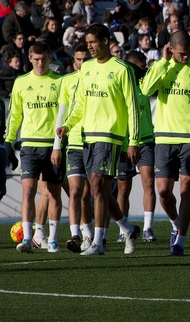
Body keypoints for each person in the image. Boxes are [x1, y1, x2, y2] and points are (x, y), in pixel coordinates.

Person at [57, 25, 140, 256]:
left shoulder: (122, 69)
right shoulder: (87, 68)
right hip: (88, 136)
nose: (91, 46)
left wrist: (133, 141)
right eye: (88, 42)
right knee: (100, 189)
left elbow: (133, 107)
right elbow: (80, 103)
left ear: (106, 40)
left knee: (95, 184)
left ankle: (98, 243)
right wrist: (68, 124)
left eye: (94, 41)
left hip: (110, 136)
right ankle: (127, 227)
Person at [140, 31, 190, 255]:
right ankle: (176, 224)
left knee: (187, 190)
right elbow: (145, 89)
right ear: (171, 49)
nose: (186, 58)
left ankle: (181, 240)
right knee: (164, 192)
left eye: (189, 54)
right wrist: (162, 62)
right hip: (165, 138)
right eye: (181, 54)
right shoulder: (163, 66)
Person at [5, 42, 62, 253]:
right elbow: (15, 114)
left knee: (53, 193)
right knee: (28, 191)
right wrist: (9, 140)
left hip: (52, 145)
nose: (40, 63)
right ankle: (28, 239)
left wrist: (60, 144)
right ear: (30, 58)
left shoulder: (59, 82)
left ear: (49, 58)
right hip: (29, 145)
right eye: (36, 59)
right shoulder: (21, 82)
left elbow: (64, 115)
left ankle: (53, 239)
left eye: (44, 59)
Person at [53, 43, 93, 252]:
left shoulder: (97, 77)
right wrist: (57, 146)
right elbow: (62, 112)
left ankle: (115, 228)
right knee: (76, 191)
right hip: (74, 142)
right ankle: (76, 235)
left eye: (86, 59)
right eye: (79, 59)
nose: (82, 63)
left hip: (96, 140)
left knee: (91, 193)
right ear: (74, 61)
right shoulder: (67, 81)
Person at [117, 52, 157, 246]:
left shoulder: (145, 86)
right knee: (123, 188)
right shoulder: (122, 87)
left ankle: (148, 227)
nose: (143, 71)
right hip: (125, 143)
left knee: (148, 183)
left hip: (146, 140)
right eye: (140, 68)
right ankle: (123, 228)